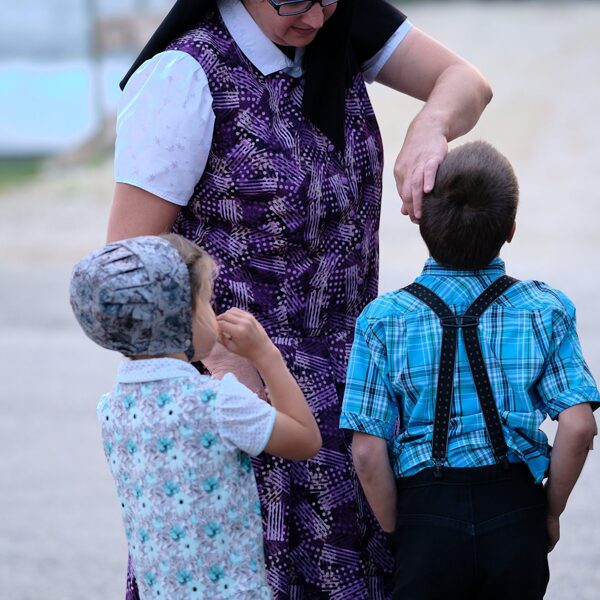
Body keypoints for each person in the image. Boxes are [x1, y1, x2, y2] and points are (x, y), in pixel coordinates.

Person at [106, 0, 493, 596]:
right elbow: (129, 268)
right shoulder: (184, 77)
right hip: (252, 403)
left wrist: (429, 125)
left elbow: (466, 81)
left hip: (360, 396)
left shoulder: (339, 24)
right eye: (291, 0)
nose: (313, 16)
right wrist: (216, 360)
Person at [340, 141, 599, 600]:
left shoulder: (382, 320)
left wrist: (397, 527)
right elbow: (578, 427)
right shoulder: (545, 309)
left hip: (425, 513)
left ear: (421, 220)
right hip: (514, 510)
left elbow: (366, 450)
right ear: (511, 229)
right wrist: (550, 511)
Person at [69, 234, 321, 599]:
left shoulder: (111, 408)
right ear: (182, 317)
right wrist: (266, 356)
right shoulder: (217, 402)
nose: (214, 315)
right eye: (207, 302)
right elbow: (304, 439)